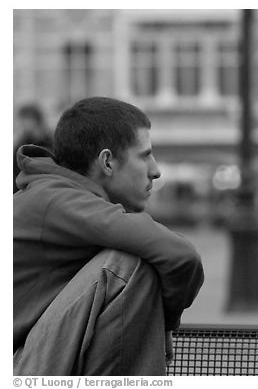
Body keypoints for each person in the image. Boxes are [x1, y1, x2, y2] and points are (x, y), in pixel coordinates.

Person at [13, 97, 204, 375]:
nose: (156, 170)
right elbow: (181, 255)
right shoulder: (58, 200)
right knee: (128, 263)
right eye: (145, 155)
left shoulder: (55, 195)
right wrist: (166, 322)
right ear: (107, 162)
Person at [13, 103, 54, 193]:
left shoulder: (51, 142)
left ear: (35, 120)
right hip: (25, 191)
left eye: (24, 120)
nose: (22, 125)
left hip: (48, 189)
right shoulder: (20, 144)